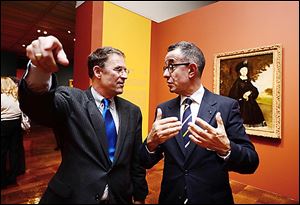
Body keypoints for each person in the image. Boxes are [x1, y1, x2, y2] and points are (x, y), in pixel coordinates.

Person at [18, 35, 148, 204]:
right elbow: (39, 106)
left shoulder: (133, 111)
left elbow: (135, 160)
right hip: (76, 197)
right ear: (98, 71)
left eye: (125, 70)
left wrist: (139, 195)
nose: (125, 76)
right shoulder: (71, 99)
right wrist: (39, 71)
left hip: (119, 197)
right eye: (118, 70)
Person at [139, 41, 259, 204]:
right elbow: (145, 161)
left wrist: (226, 148)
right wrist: (150, 144)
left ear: (191, 70)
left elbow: (251, 163)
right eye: (165, 67)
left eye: (171, 66)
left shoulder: (226, 107)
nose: (165, 74)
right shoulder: (164, 109)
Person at [228, 60, 267, 127]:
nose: (244, 72)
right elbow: (233, 94)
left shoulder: (248, 80)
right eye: (243, 70)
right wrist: (242, 97)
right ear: (239, 71)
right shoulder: (238, 82)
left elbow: (254, 89)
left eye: (246, 70)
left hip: (250, 103)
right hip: (241, 104)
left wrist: (250, 92)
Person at [1, 77, 23, 188]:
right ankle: (13, 176)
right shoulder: (16, 97)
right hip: (16, 124)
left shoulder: (1, 97)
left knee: (2, 152)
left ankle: (3, 178)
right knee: (14, 151)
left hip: (3, 125)